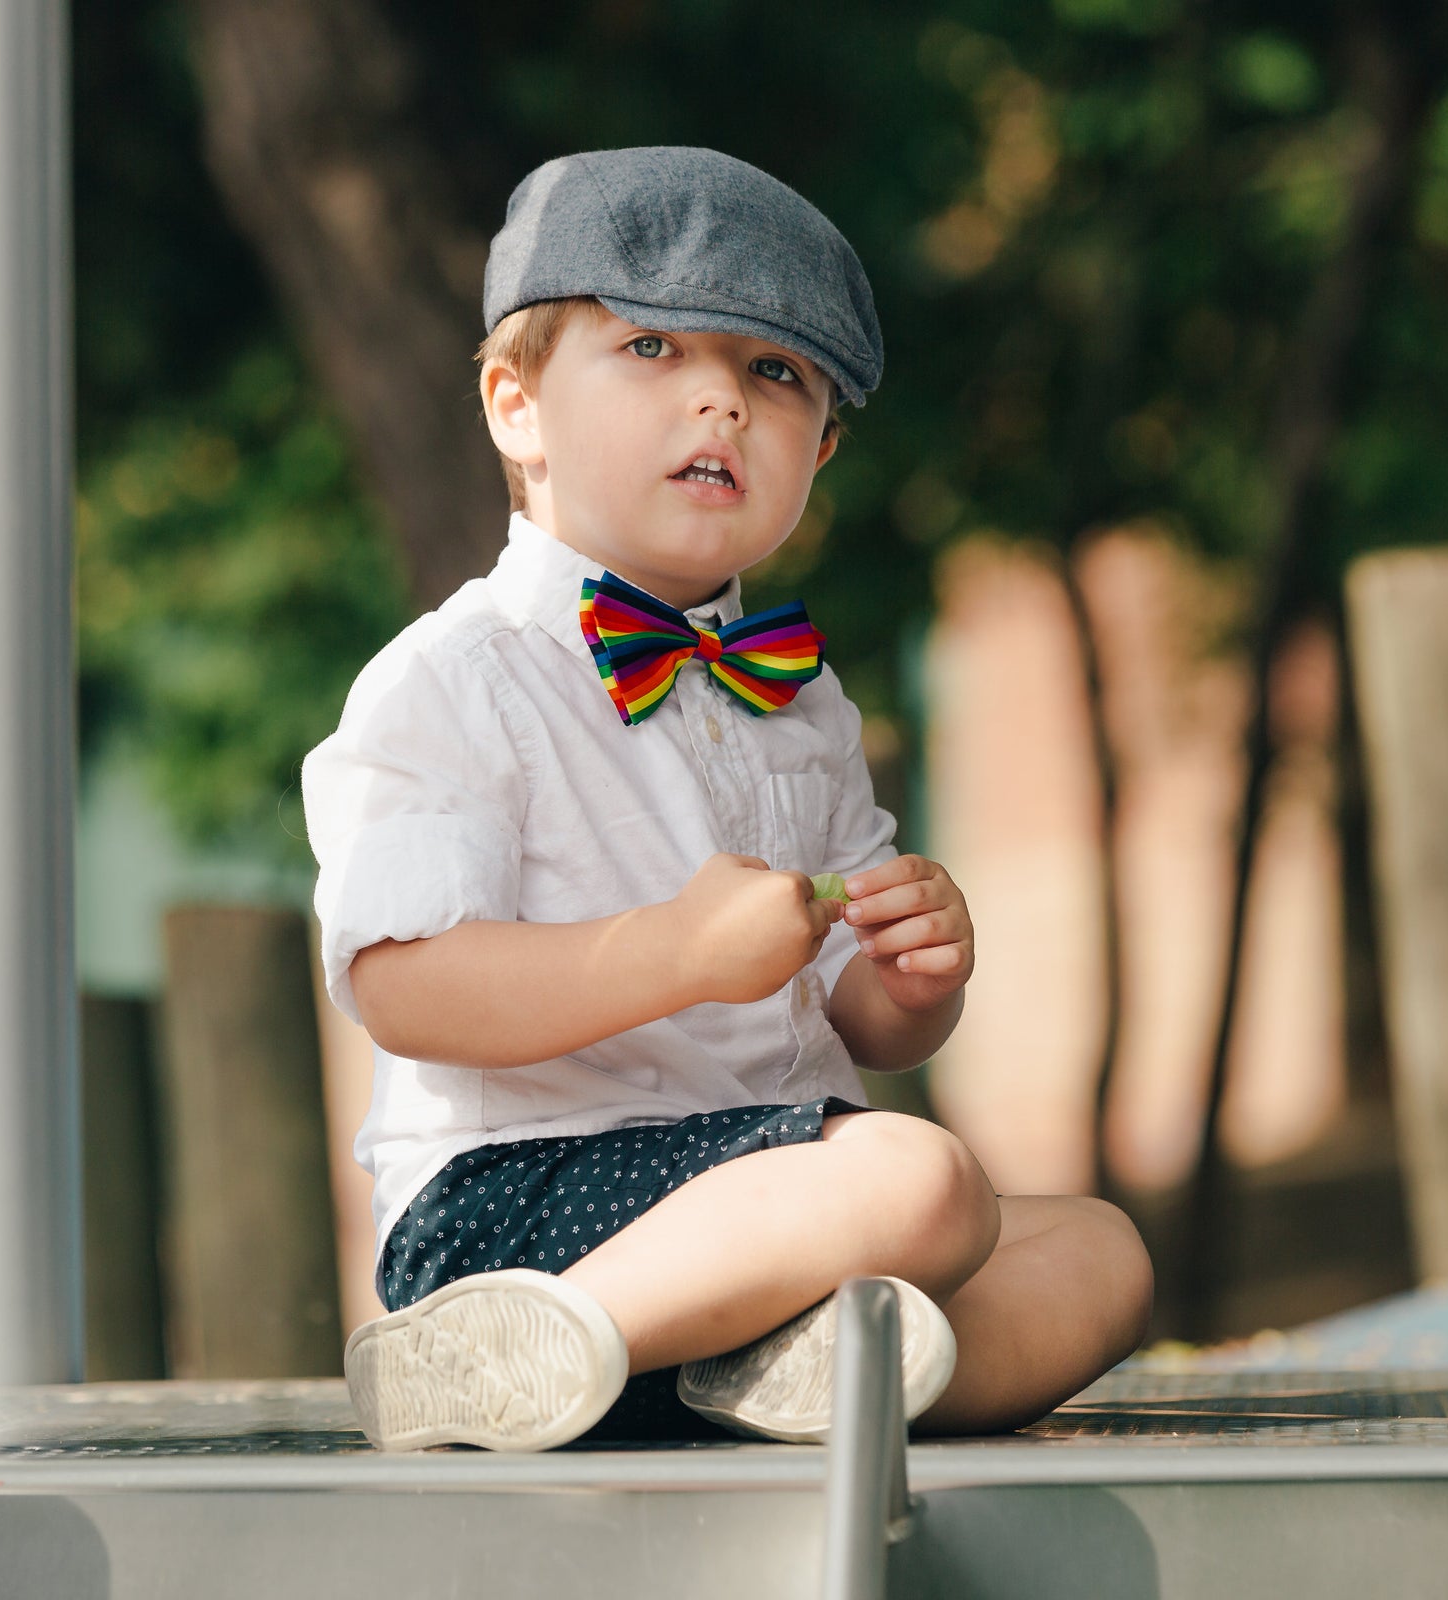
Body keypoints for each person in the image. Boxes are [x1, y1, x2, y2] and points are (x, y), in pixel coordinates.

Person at [303, 147, 1151, 1452]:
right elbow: (404, 987)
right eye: (652, 351)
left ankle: (783, 1378)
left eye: (775, 373)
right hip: (524, 1205)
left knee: (1096, 1250)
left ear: (822, 444)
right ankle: (510, 1354)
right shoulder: (453, 682)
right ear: (516, 406)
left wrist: (912, 980)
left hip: (770, 1196)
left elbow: (854, 1020)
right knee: (918, 1179)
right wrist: (672, 956)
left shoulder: (802, 707)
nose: (722, 405)